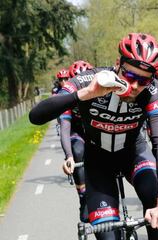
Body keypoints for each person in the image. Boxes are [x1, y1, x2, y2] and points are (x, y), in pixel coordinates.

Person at [29, 33, 158, 240]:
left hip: (134, 153)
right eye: (130, 76)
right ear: (117, 64)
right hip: (99, 162)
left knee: (154, 198)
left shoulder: (152, 91)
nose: (134, 86)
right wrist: (84, 94)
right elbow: (35, 116)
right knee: (107, 235)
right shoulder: (88, 80)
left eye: (143, 80)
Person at [58, 60, 93, 222]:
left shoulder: (102, 91)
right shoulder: (68, 97)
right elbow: (65, 127)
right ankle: (83, 196)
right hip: (76, 131)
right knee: (78, 151)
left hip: (96, 132)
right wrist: (69, 156)